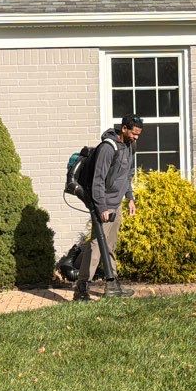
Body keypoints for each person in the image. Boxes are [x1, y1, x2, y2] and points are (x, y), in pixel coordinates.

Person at [75, 115, 141, 301]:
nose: (136, 138)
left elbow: (127, 175)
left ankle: (112, 285)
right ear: (124, 128)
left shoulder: (129, 146)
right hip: (103, 204)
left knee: (110, 245)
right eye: (134, 133)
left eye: (138, 135)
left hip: (116, 203)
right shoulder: (107, 148)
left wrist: (130, 198)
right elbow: (97, 180)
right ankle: (81, 288)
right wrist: (102, 207)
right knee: (97, 245)